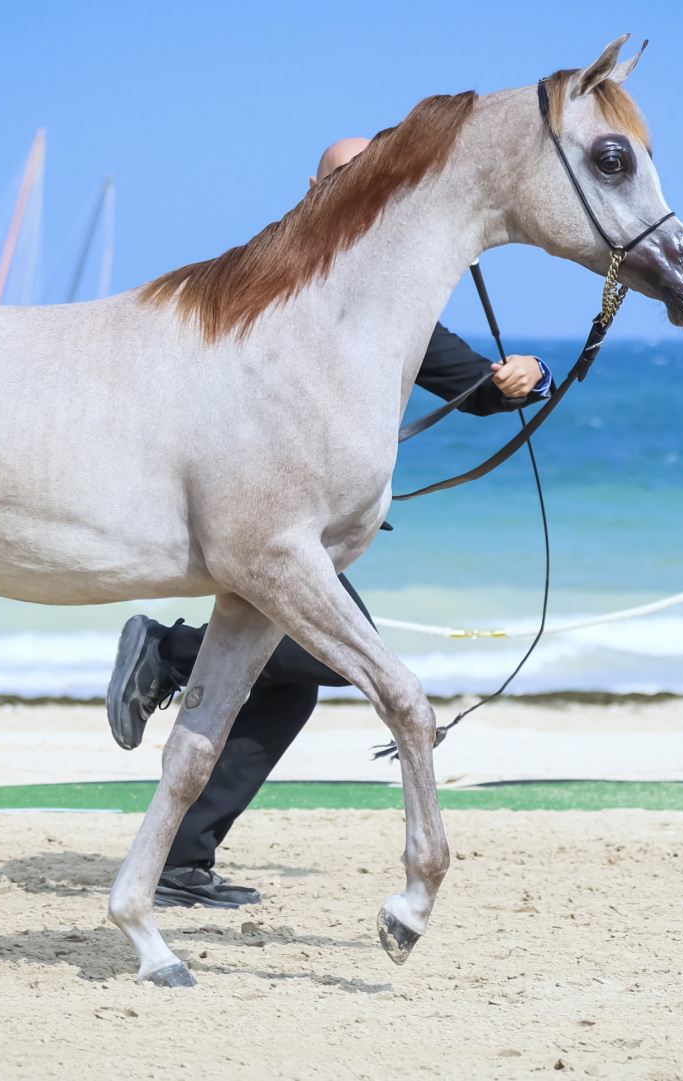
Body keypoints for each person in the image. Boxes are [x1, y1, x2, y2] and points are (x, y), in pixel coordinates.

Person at [106, 138, 551, 909]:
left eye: (363, 178)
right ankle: (169, 650)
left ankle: (180, 855)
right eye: (340, 177)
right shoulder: (262, 285)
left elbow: (473, 387)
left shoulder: (383, 305)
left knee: (292, 684)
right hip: (251, 530)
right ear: (312, 187)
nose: (354, 188)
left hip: (296, 540)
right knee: (329, 661)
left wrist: (523, 379)